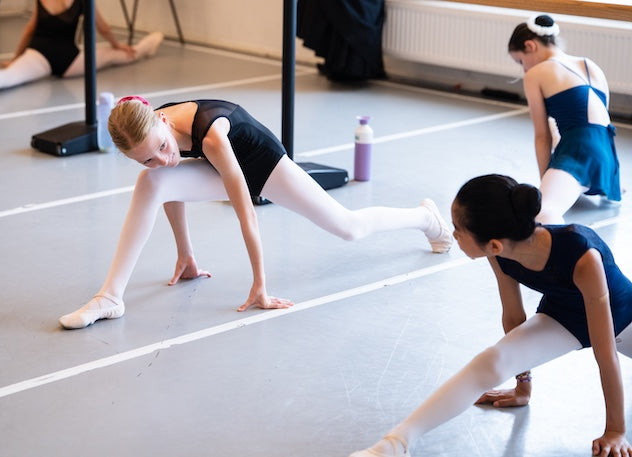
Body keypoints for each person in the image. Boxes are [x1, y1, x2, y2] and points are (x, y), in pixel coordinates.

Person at [58, 96, 453, 329]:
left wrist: (260, 286)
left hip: (264, 166)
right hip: (223, 167)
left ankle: (426, 218)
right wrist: (186, 253)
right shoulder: (152, 129)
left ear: (162, 121)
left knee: (348, 227)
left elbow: (245, 212)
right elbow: (168, 188)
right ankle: (110, 297)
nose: (163, 159)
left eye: (162, 148)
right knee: (153, 183)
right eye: (147, 158)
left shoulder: (211, 135)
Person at [349, 174, 632, 457]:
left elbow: (605, 353)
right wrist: (523, 386)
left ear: (494, 244)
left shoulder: (582, 255)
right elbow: (514, 317)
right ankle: (394, 444)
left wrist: (616, 431)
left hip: (624, 320)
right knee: (492, 361)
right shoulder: (499, 252)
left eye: (458, 229)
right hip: (563, 315)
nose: (454, 235)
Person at [508, 14, 621, 224]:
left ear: (530, 46)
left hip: (580, 153)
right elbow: (601, 122)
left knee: (541, 214)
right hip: (608, 159)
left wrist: (545, 182)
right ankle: (589, 181)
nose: (524, 69)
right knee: (566, 127)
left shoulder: (536, 74)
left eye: (521, 61)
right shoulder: (589, 64)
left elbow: (542, 136)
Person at [0, 0, 163, 93]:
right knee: (114, 55)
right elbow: (102, 27)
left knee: (8, 76)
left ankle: (146, 46)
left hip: (38, 54)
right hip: (68, 60)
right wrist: (117, 45)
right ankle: (145, 47)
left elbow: (30, 30)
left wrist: (15, 59)